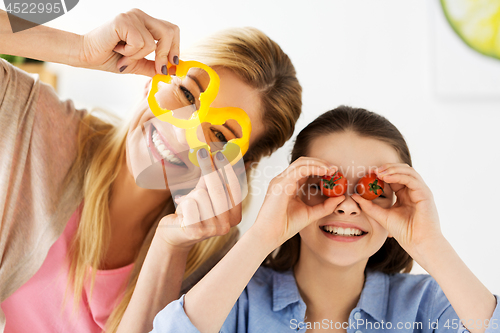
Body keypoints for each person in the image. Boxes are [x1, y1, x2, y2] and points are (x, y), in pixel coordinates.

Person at [0, 8, 302, 333]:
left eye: (218, 135)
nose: (182, 133)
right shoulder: (36, 127)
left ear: (236, 166)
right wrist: (81, 49)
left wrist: (171, 246)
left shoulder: (214, 254)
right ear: (154, 80)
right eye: (187, 94)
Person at [152, 105, 500, 333]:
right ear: (293, 191)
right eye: (322, 185)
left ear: (400, 203)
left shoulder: (427, 307)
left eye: (372, 189)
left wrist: (430, 244)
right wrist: (262, 236)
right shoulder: (236, 297)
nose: (347, 206)